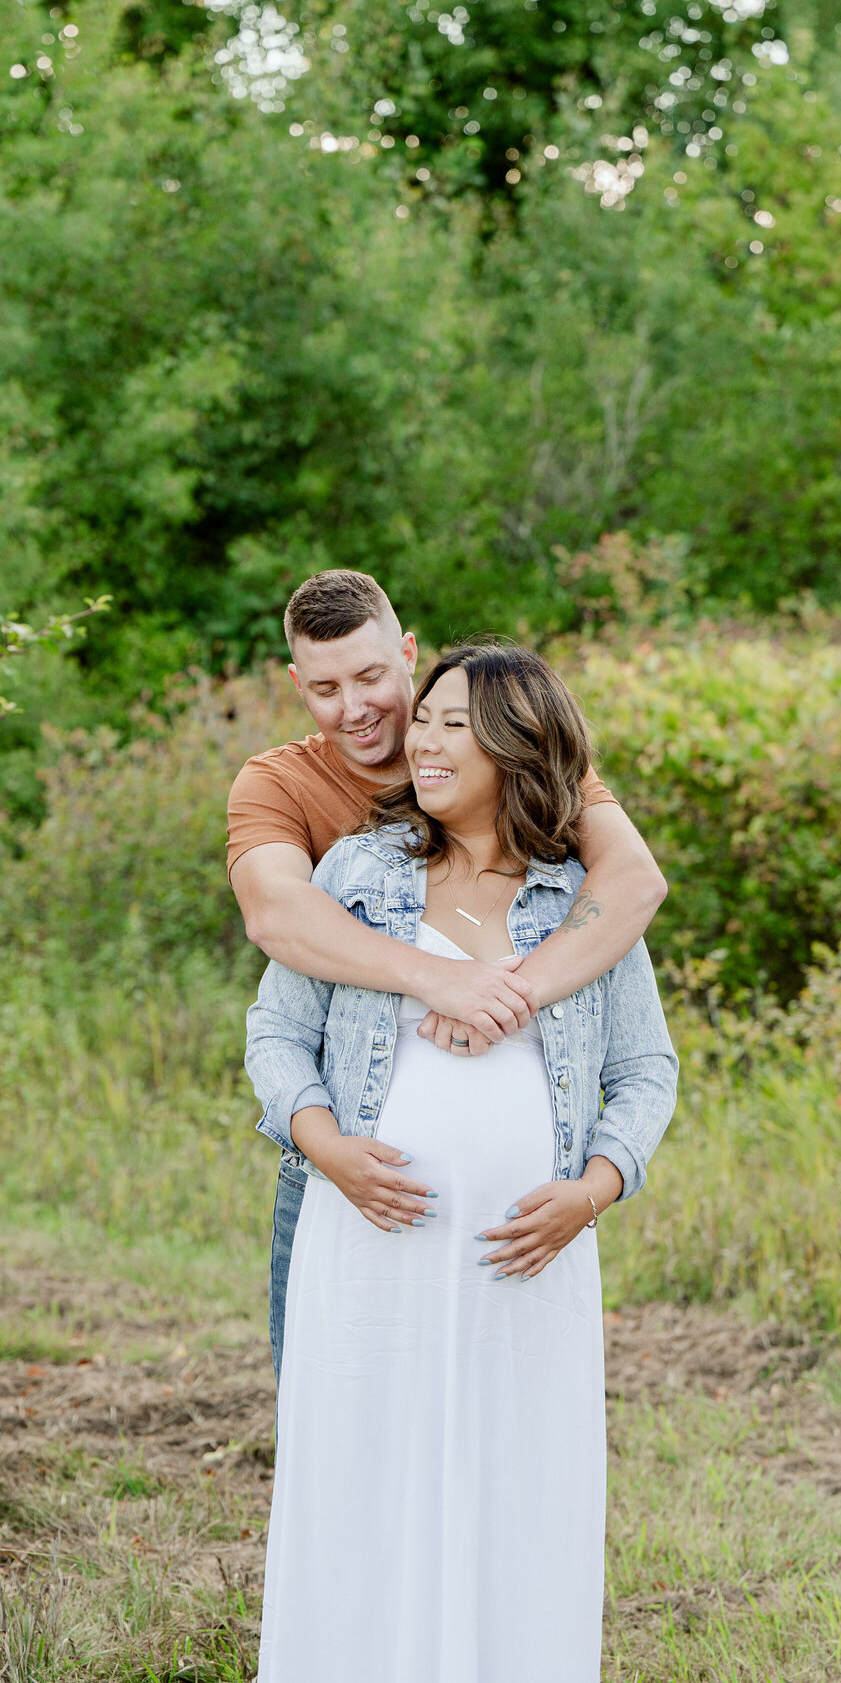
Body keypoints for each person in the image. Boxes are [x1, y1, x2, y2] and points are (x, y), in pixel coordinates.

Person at [243, 644, 678, 1683]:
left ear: (516, 748)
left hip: (522, 1265)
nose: (417, 744)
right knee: (366, 1482)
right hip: (370, 1241)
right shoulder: (360, 871)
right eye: (418, 721)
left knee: (504, 1492)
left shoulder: (580, 895)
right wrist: (326, 1144)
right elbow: (278, 1033)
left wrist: (590, 1190)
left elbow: (645, 1070)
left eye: (450, 727)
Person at [228, 569, 667, 1387]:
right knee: (333, 1409)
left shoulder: (514, 748)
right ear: (296, 685)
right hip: (345, 1176)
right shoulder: (282, 785)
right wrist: (440, 979)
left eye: (371, 678)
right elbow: (276, 918)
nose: (355, 707)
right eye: (324, 688)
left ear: (407, 653)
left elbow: (632, 883)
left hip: (517, 1229)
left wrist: (507, 994)